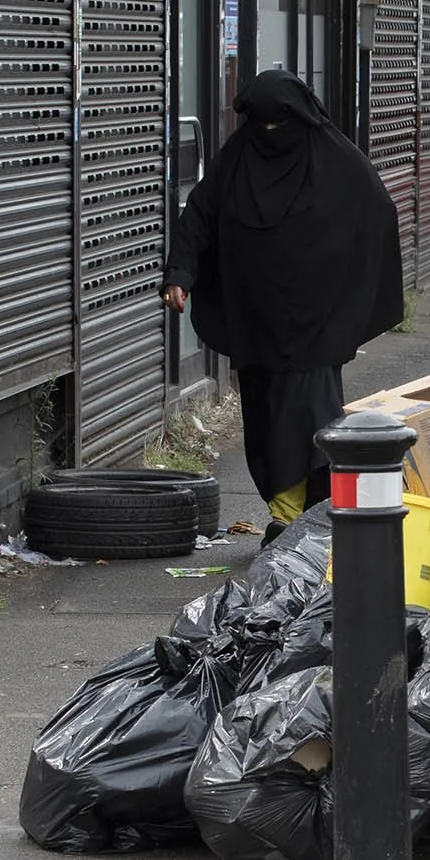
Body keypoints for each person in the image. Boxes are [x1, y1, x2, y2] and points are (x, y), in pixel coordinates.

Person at [160, 70, 403, 534]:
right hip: (257, 317)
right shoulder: (237, 158)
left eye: (278, 127)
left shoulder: (333, 158)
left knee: (310, 410)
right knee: (265, 413)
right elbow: (200, 215)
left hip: (316, 319)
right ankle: (293, 509)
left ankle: (300, 517)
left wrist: (349, 285)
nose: (269, 137)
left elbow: (377, 211)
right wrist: (180, 275)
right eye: (261, 127)